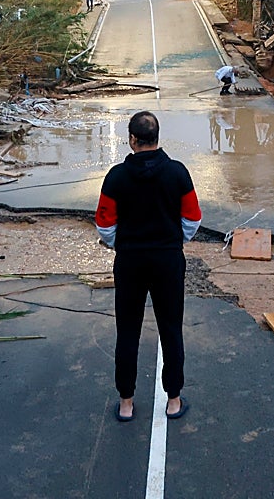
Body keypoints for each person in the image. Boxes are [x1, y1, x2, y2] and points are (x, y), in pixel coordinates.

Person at [95, 111, 201, 423]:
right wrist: (172, 241)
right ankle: (174, 399)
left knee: (127, 331)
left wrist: (122, 245)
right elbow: (193, 219)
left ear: (131, 139)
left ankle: (126, 403)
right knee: (171, 328)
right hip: (167, 260)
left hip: (130, 262)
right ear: (156, 138)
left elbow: (104, 225)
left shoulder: (116, 177)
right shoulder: (178, 173)